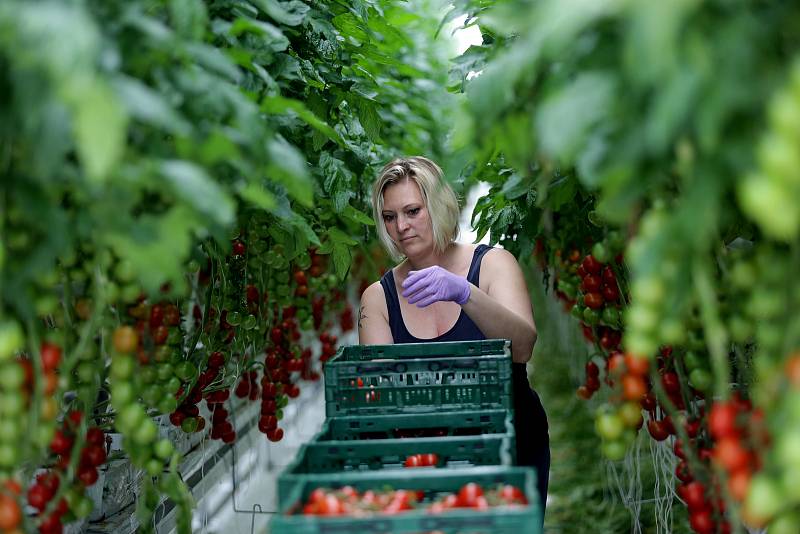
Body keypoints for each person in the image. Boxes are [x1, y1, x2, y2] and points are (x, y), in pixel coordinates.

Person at [358, 156, 550, 521]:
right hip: (426, 460)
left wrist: (464, 293)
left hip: (511, 445)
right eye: (389, 216)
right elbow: (380, 400)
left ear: (439, 205)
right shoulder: (379, 298)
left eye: (413, 211)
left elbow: (522, 347)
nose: (401, 226)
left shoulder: (493, 264)